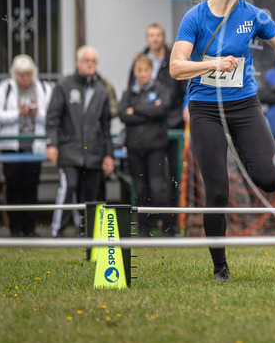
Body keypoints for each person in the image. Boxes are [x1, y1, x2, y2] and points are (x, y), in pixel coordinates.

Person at [171, 0, 275, 281]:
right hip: (205, 108)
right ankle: (220, 266)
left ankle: (241, 147)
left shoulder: (254, 16)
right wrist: (212, 64)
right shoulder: (194, 18)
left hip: (243, 105)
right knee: (218, 191)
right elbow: (176, 67)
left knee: (269, 178)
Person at [45, 45, 115, 238]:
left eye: (94, 61)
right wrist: (51, 143)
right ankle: (57, 231)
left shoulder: (101, 92)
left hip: (94, 152)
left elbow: (105, 127)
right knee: (70, 186)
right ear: (78, 63)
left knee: (90, 195)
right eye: (87, 61)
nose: (90, 64)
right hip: (69, 150)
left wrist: (108, 154)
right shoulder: (64, 86)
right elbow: (53, 117)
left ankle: (87, 233)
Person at [0, 55, 51, 237]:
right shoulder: (6, 87)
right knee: (13, 186)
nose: (24, 77)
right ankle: (14, 229)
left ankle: (30, 228)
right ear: (14, 74)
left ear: (34, 73)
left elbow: (53, 116)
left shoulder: (44, 88)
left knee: (31, 186)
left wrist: (36, 113)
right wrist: (18, 114)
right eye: (20, 74)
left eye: (28, 73)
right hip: (11, 146)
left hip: (35, 147)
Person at [128, 23, 188, 206]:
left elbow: (183, 89)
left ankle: (173, 219)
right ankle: (149, 220)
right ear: (147, 38)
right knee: (147, 179)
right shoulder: (138, 62)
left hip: (173, 124)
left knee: (173, 174)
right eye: (151, 35)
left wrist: (186, 106)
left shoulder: (174, 59)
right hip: (147, 130)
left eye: (158, 35)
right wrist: (150, 109)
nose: (155, 39)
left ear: (163, 37)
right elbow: (130, 97)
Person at [119, 54, 174, 237]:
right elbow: (123, 115)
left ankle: (167, 228)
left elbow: (161, 109)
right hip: (135, 149)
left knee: (159, 188)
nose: (143, 74)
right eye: (139, 70)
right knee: (140, 189)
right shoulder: (128, 92)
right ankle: (143, 229)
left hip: (156, 147)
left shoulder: (160, 89)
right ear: (135, 72)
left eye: (146, 70)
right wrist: (148, 110)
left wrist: (135, 109)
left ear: (151, 71)